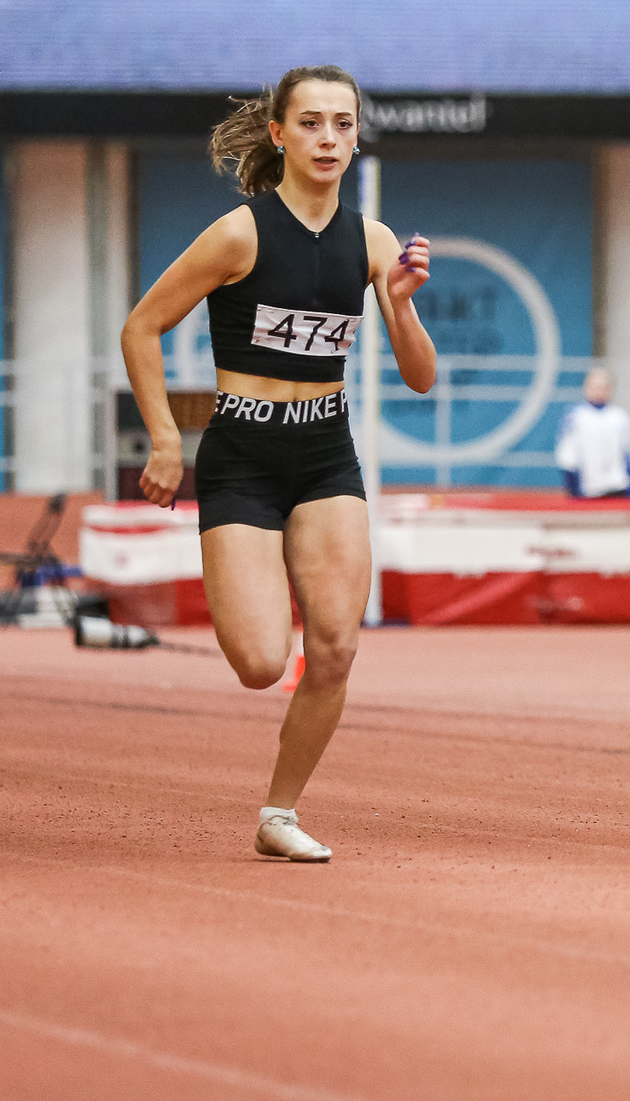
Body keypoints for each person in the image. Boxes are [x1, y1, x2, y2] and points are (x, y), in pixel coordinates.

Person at [121, 65, 435, 864]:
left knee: (334, 647)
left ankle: (279, 812)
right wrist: (164, 437)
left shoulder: (373, 240)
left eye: (342, 123)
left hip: (326, 451)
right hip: (243, 456)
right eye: (311, 124)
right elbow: (141, 326)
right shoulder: (240, 233)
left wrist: (397, 302)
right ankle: (246, 581)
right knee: (263, 662)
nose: (328, 138)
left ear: (357, 134)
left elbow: (421, 375)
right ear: (279, 134)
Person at [554, 368, 630, 499]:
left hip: (617, 487)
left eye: (603, 387)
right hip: (588, 491)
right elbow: (567, 455)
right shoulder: (575, 417)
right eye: (595, 386)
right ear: (586, 387)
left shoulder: (620, 417)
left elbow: (629, 452)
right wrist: (574, 489)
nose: (599, 391)